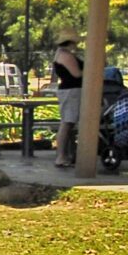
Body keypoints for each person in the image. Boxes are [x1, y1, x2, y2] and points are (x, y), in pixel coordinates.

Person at [50, 39, 84, 171]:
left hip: (70, 91)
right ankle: (61, 156)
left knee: (68, 123)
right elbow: (76, 74)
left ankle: (67, 154)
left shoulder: (61, 54)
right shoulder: (65, 55)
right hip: (72, 91)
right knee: (67, 122)